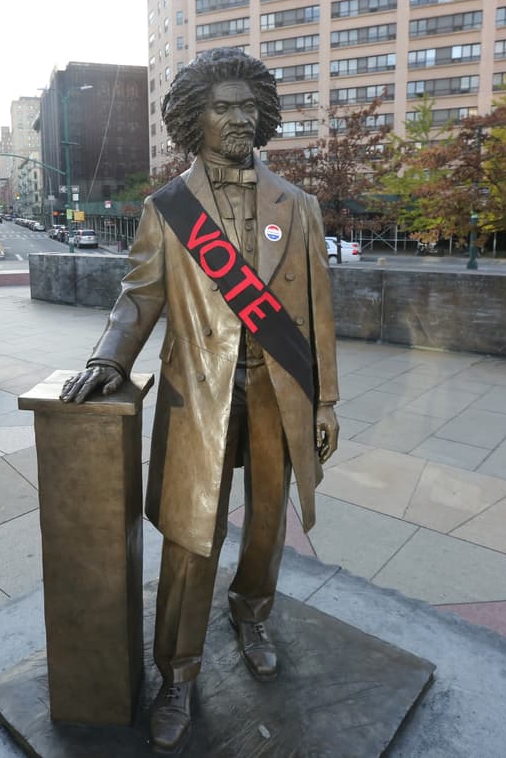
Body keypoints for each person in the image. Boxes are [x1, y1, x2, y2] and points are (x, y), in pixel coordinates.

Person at [60, 47, 339, 754]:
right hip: (199, 395)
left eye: (249, 106)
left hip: (280, 393)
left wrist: (326, 401)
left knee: (270, 522)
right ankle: (177, 672)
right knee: (192, 539)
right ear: (194, 119)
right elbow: (138, 296)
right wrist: (107, 357)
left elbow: (315, 312)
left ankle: (252, 613)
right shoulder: (167, 210)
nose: (240, 118)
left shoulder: (298, 207)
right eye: (224, 107)